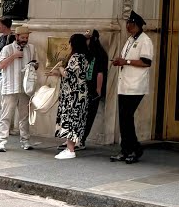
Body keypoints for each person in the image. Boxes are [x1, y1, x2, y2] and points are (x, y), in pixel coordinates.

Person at [47, 33, 102, 159]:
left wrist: (61, 69)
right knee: (77, 120)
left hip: (73, 95)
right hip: (81, 94)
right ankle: (71, 146)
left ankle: (70, 149)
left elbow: (68, 74)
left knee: (70, 120)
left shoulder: (75, 57)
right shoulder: (85, 57)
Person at [111, 11, 154, 164]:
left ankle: (134, 149)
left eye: (130, 24)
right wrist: (119, 61)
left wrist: (126, 62)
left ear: (136, 25)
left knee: (127, 117)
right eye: (127, 23)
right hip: (124, 85)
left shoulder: (145, 41)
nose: (127, 26)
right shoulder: (129, 39)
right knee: (123, 119)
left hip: (136, 86)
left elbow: (146, 62)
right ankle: (126, 149)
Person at [0, 25, 36, 152]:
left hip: (25, 88)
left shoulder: (32, 48)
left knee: (24, 116)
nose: (25, 39)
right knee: (6, 115)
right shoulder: (7, 49)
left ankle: (25, 141)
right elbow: (0, 65)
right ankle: (1, 142)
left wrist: (34, 65)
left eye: (26, 37)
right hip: (10, 87)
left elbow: (36, 64)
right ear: (16, 37)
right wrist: (14, 56)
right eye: (22, 37)